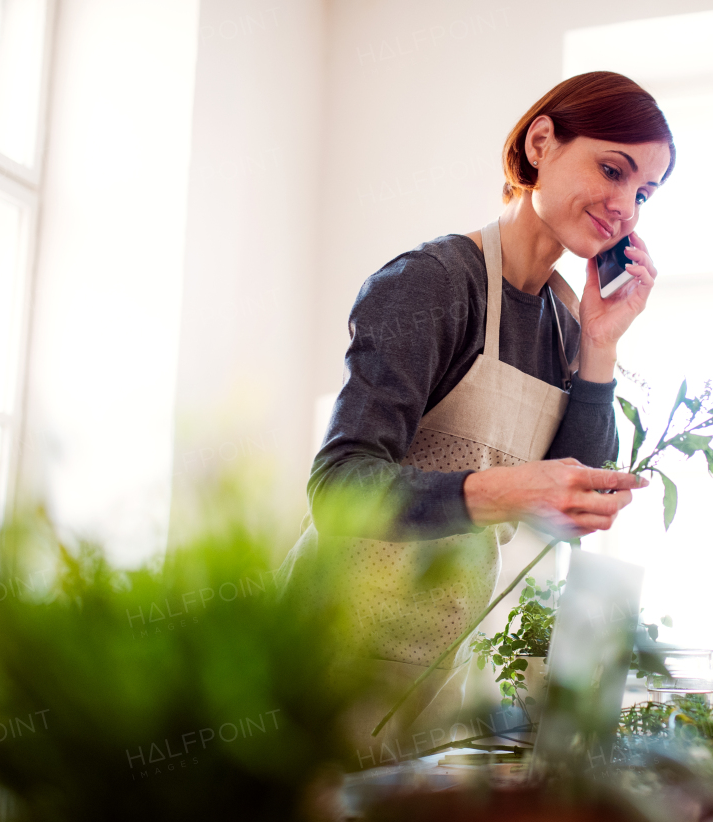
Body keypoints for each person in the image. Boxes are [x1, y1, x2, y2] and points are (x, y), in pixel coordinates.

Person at [276, 70, 675, 758]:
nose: (626, 208)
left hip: (437, 670)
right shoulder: (431, 284)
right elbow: (339, 490)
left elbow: (566, 513)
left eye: (643, 192)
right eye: (613, 170)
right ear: (542, 142)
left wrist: (600, 343)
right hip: (324, 658)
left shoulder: (562, 320)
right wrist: (506, 490)